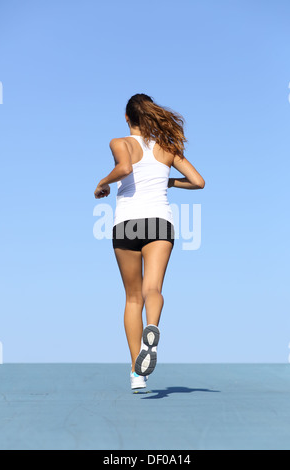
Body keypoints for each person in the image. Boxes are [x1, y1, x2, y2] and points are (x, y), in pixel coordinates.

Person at [94, 94, 205, 390]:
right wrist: (168, 181)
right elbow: (198, 182)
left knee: (132, 298)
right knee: (153, 289)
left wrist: (102, 183)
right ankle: (152, 329)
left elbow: (125, 169)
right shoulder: (168, 148)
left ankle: (137, 373)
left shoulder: (120, 142)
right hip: (159, 223)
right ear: (151, 117)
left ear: (128, 118)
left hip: (127, 224)